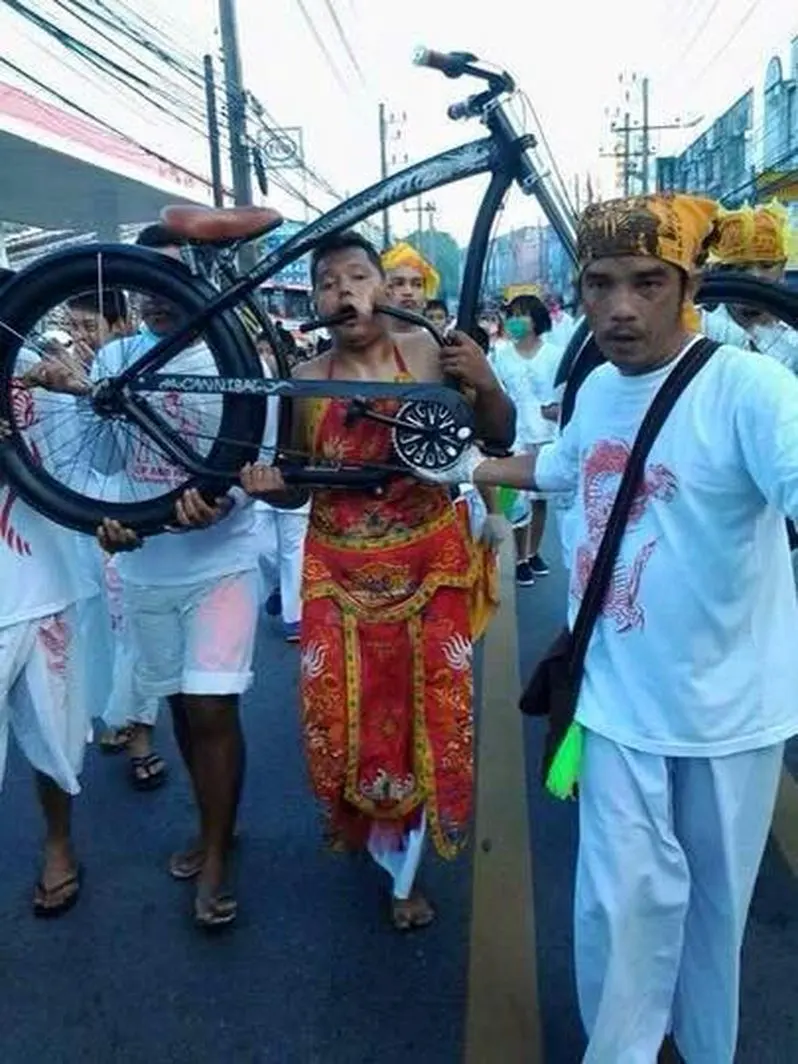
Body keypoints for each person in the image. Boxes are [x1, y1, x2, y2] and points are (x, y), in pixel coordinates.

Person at [419, 192, 798, 1063]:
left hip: (729, 715)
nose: (621, 308)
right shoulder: (595, 385)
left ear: (688, 286)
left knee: (712, 915)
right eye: (600, 284)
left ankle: (703, 1049)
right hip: (616, 697)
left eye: (647, 282)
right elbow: (571, 461)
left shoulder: (752, 391)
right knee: (618, 906)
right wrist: (472, 467)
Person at [239, 229, 513, 930]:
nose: (343, 292)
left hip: (430, 569)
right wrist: (268, 486)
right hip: (336, 576)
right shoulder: (306, 378)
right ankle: (373, 832)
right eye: (328, 283)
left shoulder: (430, 354)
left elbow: (499, 434)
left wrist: (484, 382)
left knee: (430, 716)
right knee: (344, 718)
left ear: (383, 287)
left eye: (356, 277)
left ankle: (405, 873)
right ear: (317, 300)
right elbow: (295, 485)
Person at [3, 344, 96, 917]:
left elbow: (95, 462)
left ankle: (59, 844)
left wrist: (82, 390)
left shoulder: (35, 371)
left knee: (55, 737)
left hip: (41, 587)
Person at [489, 294, 564, 584]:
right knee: (512, 496)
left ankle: (533, 553)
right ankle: (516, 557)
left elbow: (565, 394)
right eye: (511, 316)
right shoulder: (500, 356)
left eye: (521, 315)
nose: (514, 321)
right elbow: (495, 393)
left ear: (536, 320)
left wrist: (556, 411)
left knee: (539, 499)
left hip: (546, 434)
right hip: (514, 435)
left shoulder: (555, 355)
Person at [702, 199, 798, 373]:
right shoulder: (699, 327)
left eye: (767, 265)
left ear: (782, 269)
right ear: (720, 271)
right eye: (741, 267)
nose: (755, 276)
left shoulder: (794, 330)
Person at [381, 241, 440, 333]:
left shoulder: (437, 340)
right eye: (399, 284)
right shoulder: (366, 340)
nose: (408, 292)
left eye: (417, 285)